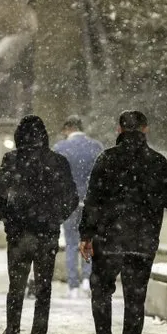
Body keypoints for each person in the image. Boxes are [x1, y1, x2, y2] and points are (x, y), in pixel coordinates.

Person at [79, 110, 167, 334]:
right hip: (142, 241)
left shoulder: (107, 159)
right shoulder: (158, 162)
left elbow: (92, 200)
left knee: (101, 292)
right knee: (135, 299)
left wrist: (86, 235)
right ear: (145, 129)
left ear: (120, 130)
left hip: (109, 239)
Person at [0, 115, 78, 334]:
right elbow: (71, 196)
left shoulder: (12, 159)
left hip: (18, 234)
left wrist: (7, 218)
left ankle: (12, 333)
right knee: (43, 287)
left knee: (16, 286)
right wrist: (55, 217)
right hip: (46, 233)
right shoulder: (57, 161)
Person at [53, 115, 103, 298]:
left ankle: (73, 285)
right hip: (91, 203)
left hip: (69, 203)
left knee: (72, 242)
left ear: (67, 129)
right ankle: (87, 280)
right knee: (88, 241)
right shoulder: (96, 147)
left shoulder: (60, 148)